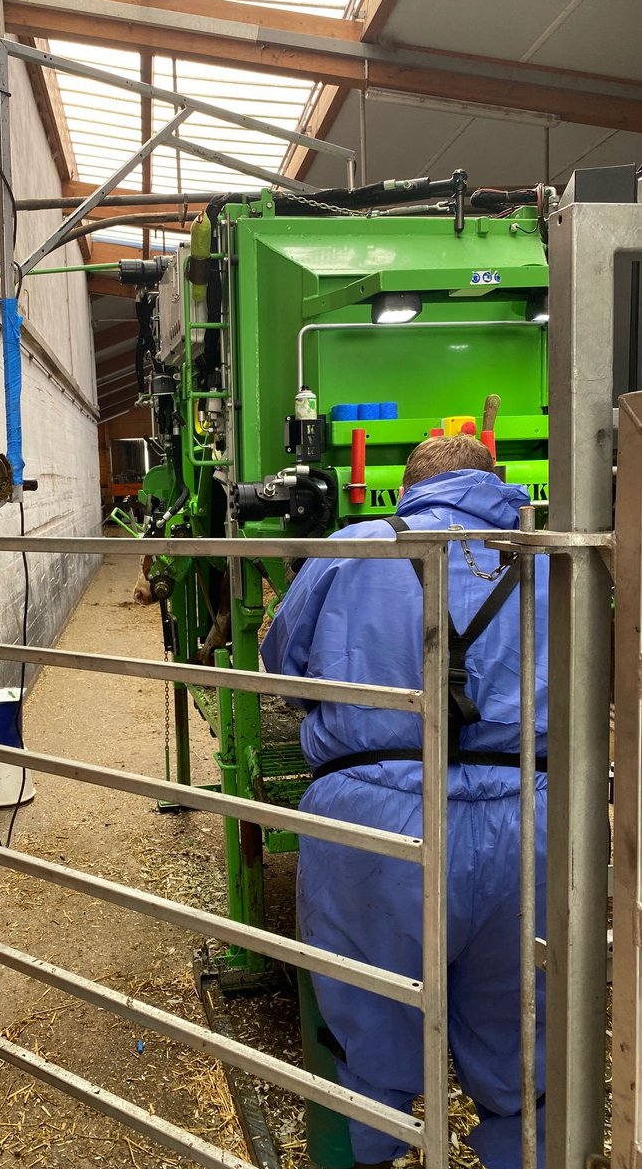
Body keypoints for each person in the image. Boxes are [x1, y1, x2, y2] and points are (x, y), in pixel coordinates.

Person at [261, 436, 548, 1169]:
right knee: (524, 1038)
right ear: (497, 483)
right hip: (529, 816)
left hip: (372, 816)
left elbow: (282, 663)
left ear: (409, 489)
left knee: (365, 1023)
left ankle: (368, 1150)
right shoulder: (548, 556)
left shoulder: (353, 547)